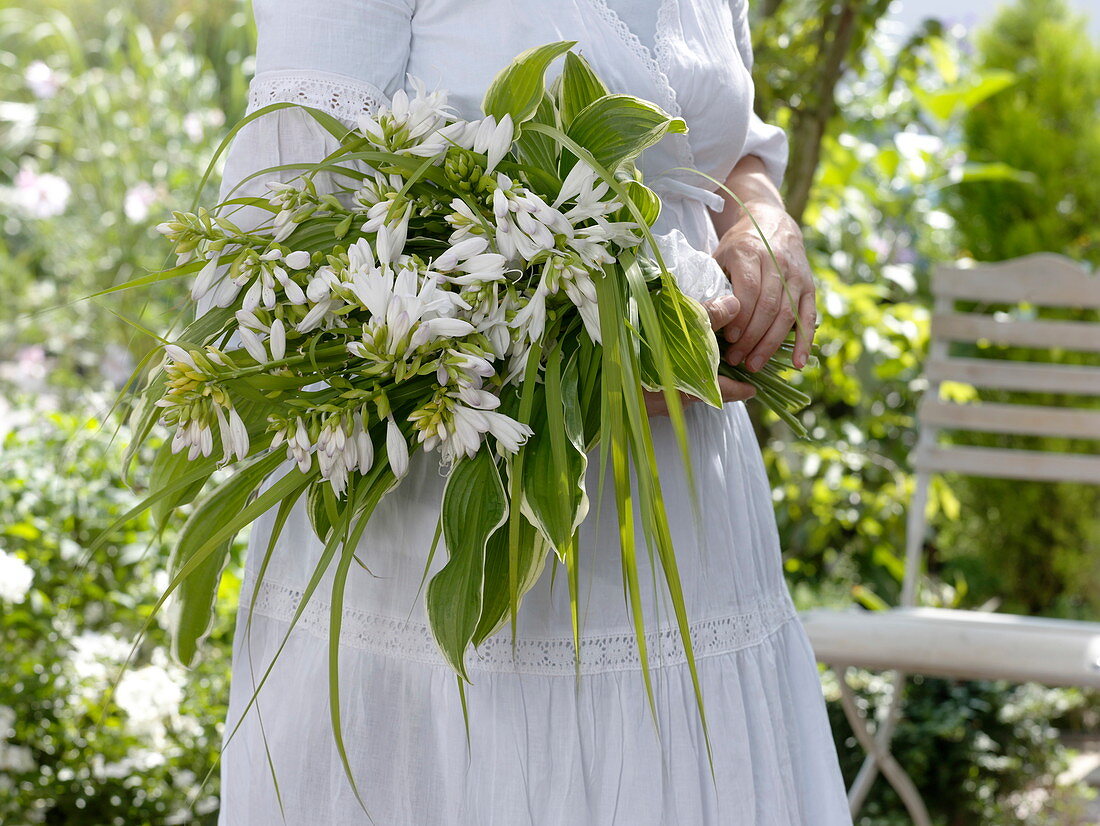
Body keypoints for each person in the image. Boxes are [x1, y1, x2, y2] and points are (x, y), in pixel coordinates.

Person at [209, 1, 853, 823]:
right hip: (452, 535)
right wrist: (598, 368)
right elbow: (287, 256)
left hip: (695, 523)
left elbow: (720, 147)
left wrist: (761, 217)